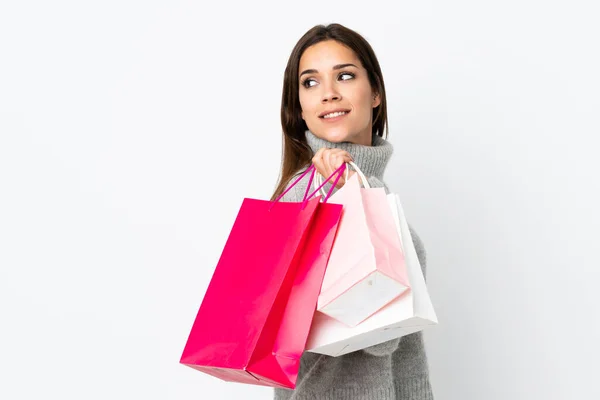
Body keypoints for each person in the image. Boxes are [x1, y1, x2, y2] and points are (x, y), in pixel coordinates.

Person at [270, 23, 434, 400]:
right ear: (299, 109)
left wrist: (358, 188)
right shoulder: (304, 197)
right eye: (310, 83)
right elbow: (378, 333)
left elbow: (403, 344)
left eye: (344, 76)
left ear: (375, 93)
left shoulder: (367, 186)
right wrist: (353, 192)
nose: (328, 94)